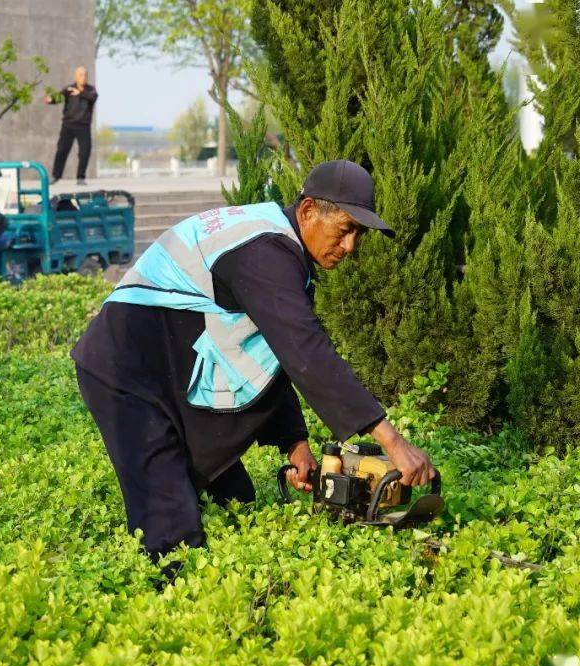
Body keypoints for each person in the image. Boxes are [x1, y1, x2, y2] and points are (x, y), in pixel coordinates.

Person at [72, 160, 437, 580]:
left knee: (238, 504)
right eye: (345, 229)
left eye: (359, 234)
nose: (351, 246)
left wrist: (294, 443)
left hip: (169, 366)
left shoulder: (280, 251)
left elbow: (270, 350)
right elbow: (305, 351)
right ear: (307, 211)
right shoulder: (264, 251)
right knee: (171, 529)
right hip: (126, 372)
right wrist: (390, 439)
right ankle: (179, 607)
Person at [45, 66, 98, 185]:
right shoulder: (69, 89)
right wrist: (50, 99)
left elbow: (93, 98)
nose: (83, 77)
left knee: (85, 151)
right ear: (76, 76)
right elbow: (58, 97)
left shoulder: (90, 90)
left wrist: (80, 93)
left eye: (85, 75)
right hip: (68, 125)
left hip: (83, 126)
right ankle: (56, 176)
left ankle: (80, 177)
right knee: (62, 150)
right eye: (80, 75)